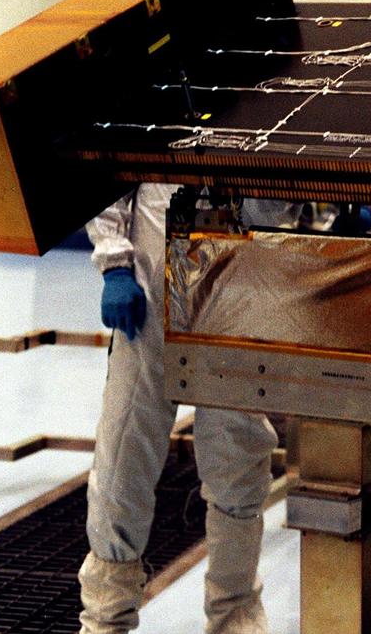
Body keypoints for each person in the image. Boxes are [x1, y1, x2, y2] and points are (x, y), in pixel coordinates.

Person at [81, 189, 300, 634]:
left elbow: (280, 193)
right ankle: (106, 619)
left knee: (237, 453)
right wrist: (115, 264)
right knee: (124, 459)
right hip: (150, 284)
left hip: (237, 278)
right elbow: (115, 168)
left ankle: (235, 612)